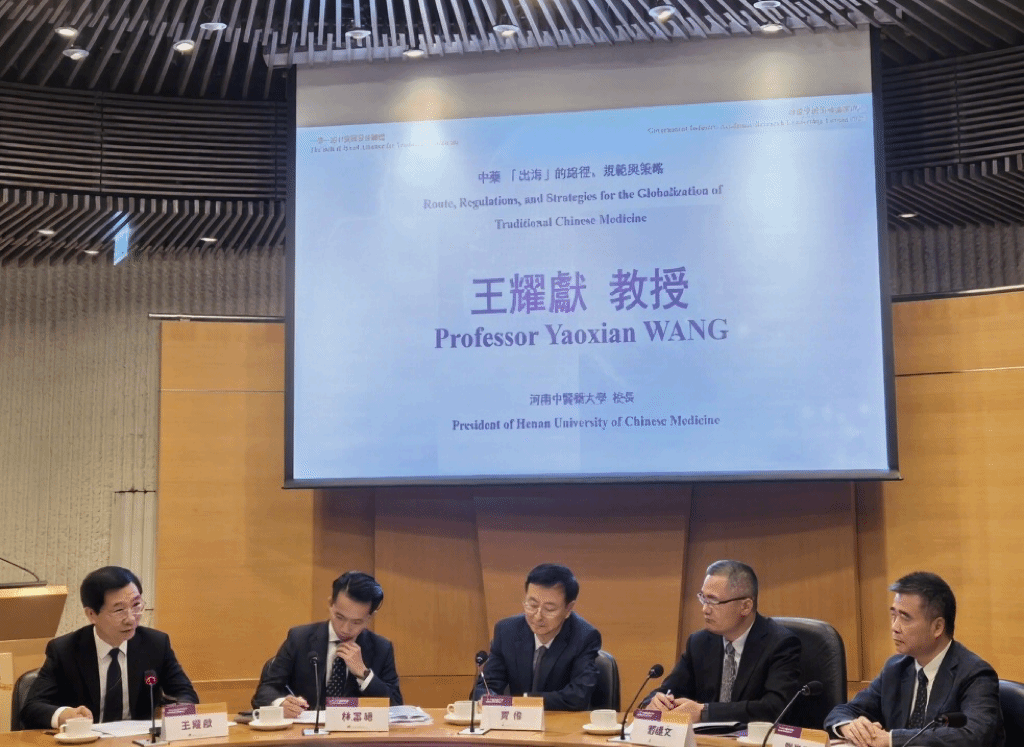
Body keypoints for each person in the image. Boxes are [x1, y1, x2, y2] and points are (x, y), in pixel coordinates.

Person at [825, 571, 1004, 747]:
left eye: (905, 618)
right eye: (893, 615)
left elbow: (973, 735)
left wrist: (891, 739)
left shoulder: (975, 674)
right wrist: (850, 726)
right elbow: (844, 711)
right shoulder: (895, 668)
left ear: (937, 627)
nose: (894, 627)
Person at [20, 566, 198, 729]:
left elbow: (185, 694)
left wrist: (176, 714)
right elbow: (31, 708)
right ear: (92, 614)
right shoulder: (65, 650)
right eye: (119, 610)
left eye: (136, 605)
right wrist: (64, 715)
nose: (131, 619)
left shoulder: (156, 644)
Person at [643, 560, 801, 723]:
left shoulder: (780, 644)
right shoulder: (699, 643)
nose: (705, 609)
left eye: (713, 601)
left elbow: (775, 708)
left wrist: (705, 712)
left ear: (745, 607)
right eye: (703, 598)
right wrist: (654, 703)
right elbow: (670, 690)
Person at [253, 571, 402, 715]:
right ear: (331, 604)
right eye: (340, 617)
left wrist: (364, 674)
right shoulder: (299, 638)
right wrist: (281, 704)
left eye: (356, 622)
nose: (345, 629)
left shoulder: (382, 648)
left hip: (355, 730)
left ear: (370, 617)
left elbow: (396, 706)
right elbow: (265, 691)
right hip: (305, 730)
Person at [473, 563, 601, 711]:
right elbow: (486, 686)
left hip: (561, 722)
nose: (538, 616)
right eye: (532, 605)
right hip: (516, 721)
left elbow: (578, 696)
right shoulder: (506, 631)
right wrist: (486, 698)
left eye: (549, 609)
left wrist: (523, 701)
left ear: (568, 608)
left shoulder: (585, 637)